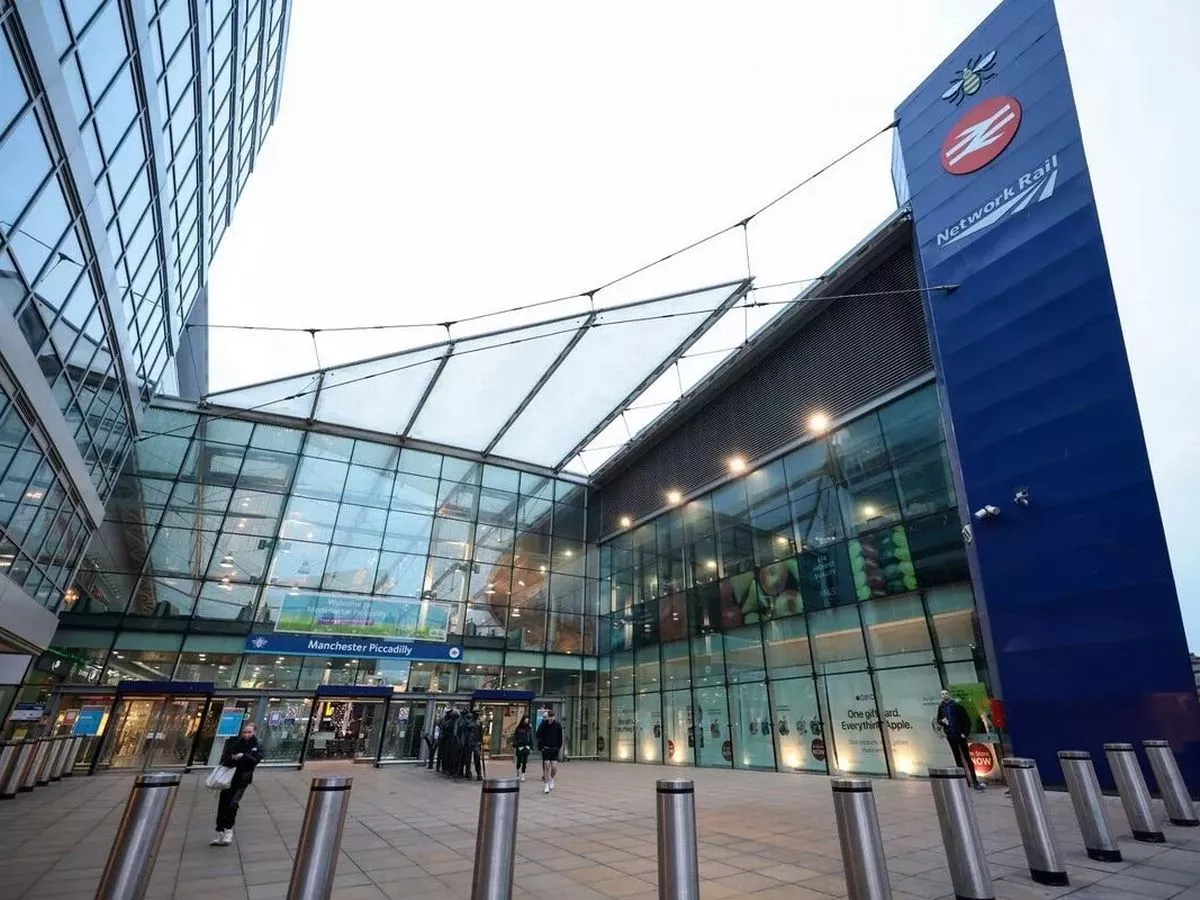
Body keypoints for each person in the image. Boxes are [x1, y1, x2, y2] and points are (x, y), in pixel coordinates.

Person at [211, 722, 264, 846]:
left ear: (254, 732)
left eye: (249, 732)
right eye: (245, 732)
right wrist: (232, 758)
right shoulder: (235, 743)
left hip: (242, 778)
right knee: (223, 803)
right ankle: (219, 830)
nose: (246, 734)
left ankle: (228, 830)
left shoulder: (257, 745)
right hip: (229, 777)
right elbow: (225, 757)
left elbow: (256, 760)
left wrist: (243, 756)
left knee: (233, 803)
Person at [937, 689, 985, 791]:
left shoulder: (956, 706)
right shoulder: (941, 707)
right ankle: (965, 781)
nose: (944, 696)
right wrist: (942, 721)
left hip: (959, 734)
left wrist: (965, 733)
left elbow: (966, 720)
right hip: (950, 735)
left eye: (946, 694)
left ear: (949, 694)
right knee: (958, 759)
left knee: (967, 757)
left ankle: (974, 781)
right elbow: (938, 720)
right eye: (942, 694)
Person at [535, 708, 563, 794]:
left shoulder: (558, 725)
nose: (551, 718)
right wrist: (543, 722)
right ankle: (546, 784)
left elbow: (560, 738)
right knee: (546, 766)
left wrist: (557, 747)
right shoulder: (544, 725)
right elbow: (538, 735)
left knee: (554, 767)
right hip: (546, 749)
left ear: (554, 717)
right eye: (549, 717)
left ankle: (552, 779)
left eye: (552, 717)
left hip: (554, 749)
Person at [513, 715, 533, 782]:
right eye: (526, 719)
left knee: (524, 761)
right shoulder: (518, 728)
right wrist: (515, 744)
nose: (527, 721)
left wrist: (531, 747)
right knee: (519, 760)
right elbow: (515, 737)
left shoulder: (529, 728)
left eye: (528, 720)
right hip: (520, 746)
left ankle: (523, 775)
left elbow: (530, 737)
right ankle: (517, 770)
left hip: (526, 746)